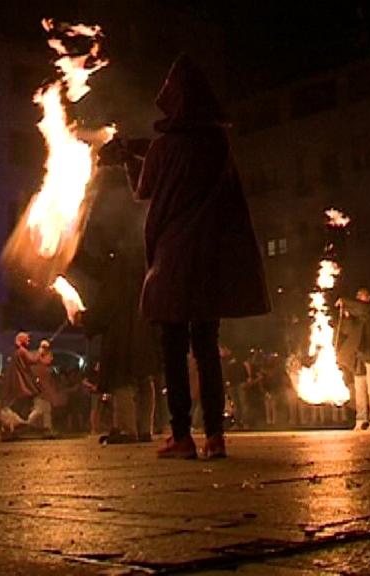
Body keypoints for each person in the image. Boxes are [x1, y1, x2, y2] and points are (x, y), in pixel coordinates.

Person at [104, 54, 270, 459]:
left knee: (174, 350)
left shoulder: (163, 147)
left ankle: (182, 437)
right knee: (207, 348)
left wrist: (129, 159)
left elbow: (144, 192)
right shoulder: (218, 144)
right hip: (209, 258)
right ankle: (216, 436)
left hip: (174, 260)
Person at [79, 247, 160, 444]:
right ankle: (144, 429)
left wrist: (85, 318)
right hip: (146, 333)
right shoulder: (145, 267)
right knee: (143, 379)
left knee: (122, 380)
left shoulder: (119, 271)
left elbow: (106, 306)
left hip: (124, 336)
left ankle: (126, 429)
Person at [339, 288, 370, 430]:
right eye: (357, 295)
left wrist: (345, 302)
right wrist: (347, 316)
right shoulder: (357, 315)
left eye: (361, 295)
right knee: (359, 390)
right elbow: (347, 330)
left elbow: (361, 309)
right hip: (358, 356)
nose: (358, 297)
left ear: (369, 298)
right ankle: (361, 418)